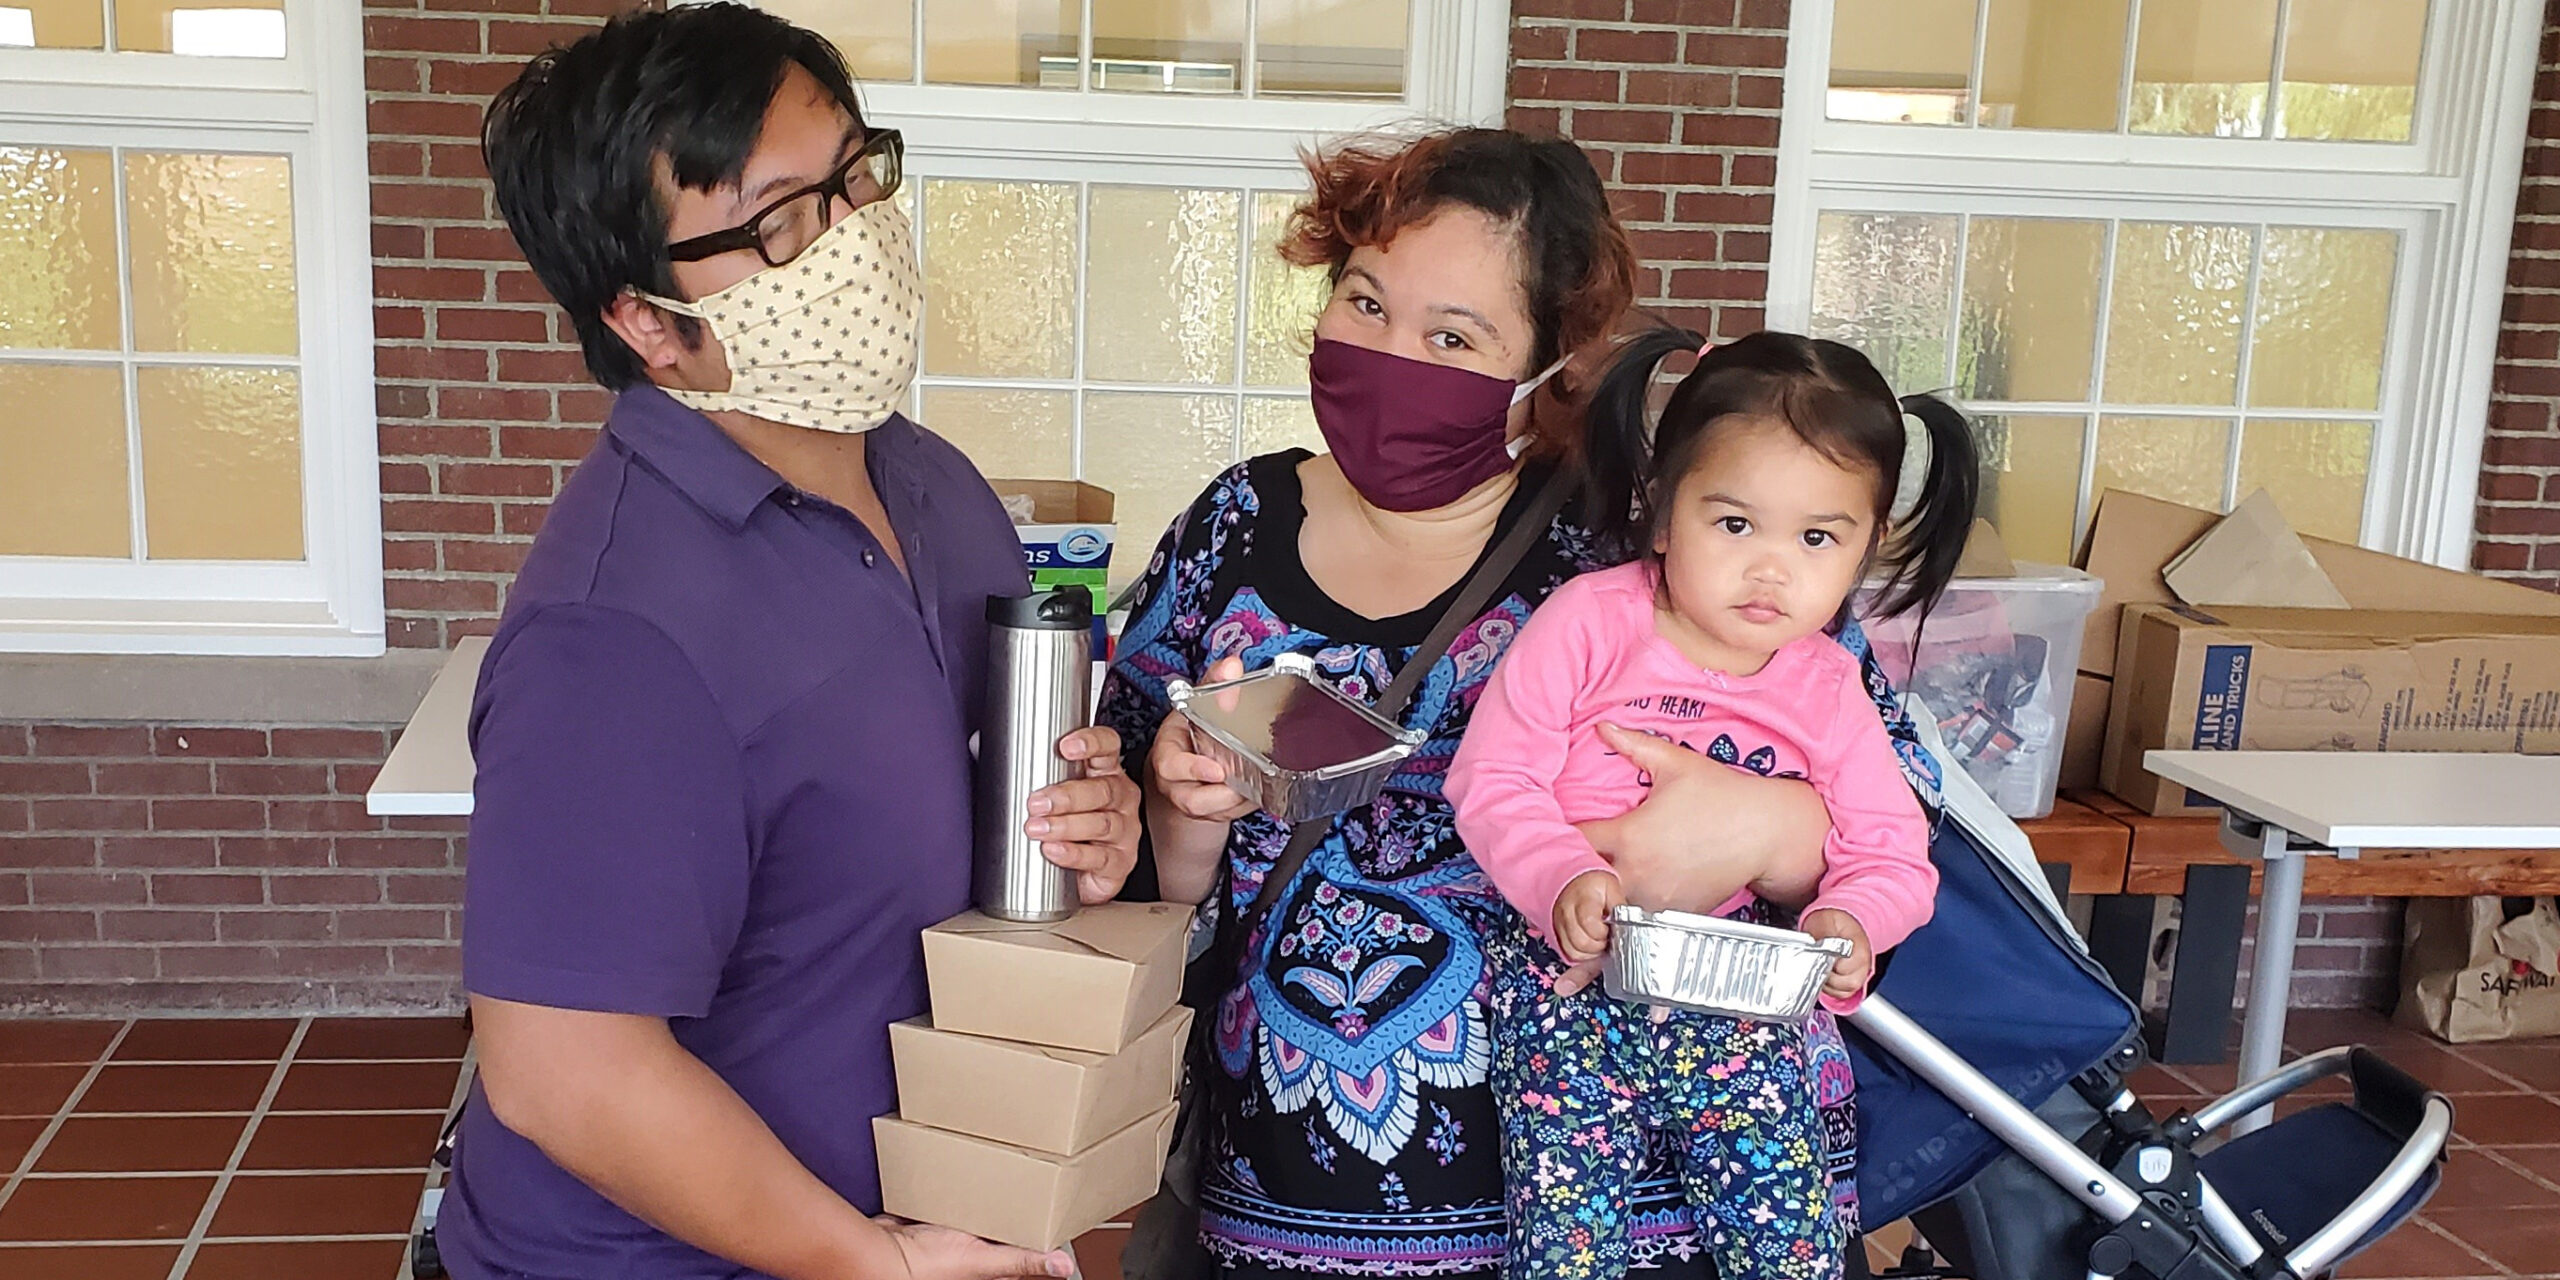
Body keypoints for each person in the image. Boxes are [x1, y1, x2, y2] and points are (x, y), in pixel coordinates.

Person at [1098, 130, 1945, 1278]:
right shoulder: (1233, 526)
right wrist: (1180, 816)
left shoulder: (1652, 541)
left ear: (1549, 367)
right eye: (1364, 301)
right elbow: (1128, 880)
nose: (1392, 354)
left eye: (1454, 335)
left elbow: (1895, 805)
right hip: (1294, 1207)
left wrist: (1765, 827)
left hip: (1667, 1204)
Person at [442, 7, 1140, 1279]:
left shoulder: (930, 482)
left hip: (921, 1211)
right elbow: (562, 1068)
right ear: (649, 323)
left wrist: (1090, 829)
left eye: (851, 178)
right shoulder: (615, 633)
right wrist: (875, 1262)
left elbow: (952, 826)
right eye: (777, 223)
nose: (851, 241)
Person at [1447, 329, 1978, 1280]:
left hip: (1741, 1004)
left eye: (1818, 537)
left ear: (1867, 548)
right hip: (1570, 989)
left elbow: (1892, 851)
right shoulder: (1588, 623)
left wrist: (1853, 919)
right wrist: (1562, 875)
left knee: (1789, 1244)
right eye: (1734, 525)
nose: (1772, 569)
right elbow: (1492, 780)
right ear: (1661, 514)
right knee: (1565, 1250)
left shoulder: (1827, 685)